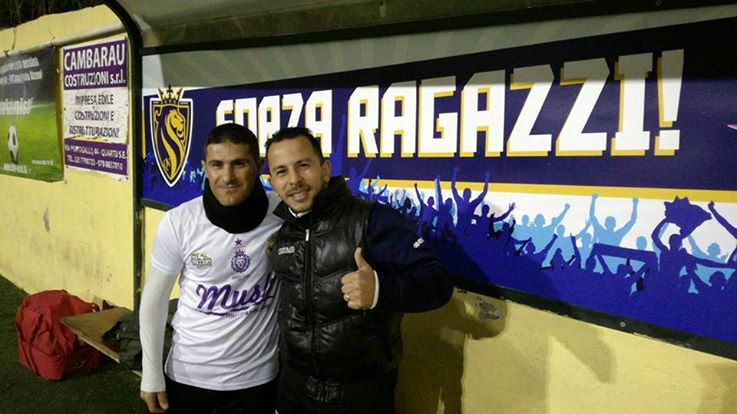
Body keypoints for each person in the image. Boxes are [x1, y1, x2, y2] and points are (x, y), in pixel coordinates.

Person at [264, 126, 454, 414]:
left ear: (325, 170)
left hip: (359, 396)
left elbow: (438, 281)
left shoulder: (371, 220)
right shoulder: (283, 234)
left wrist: (380, 289)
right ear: (273, 182)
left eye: (303, 165)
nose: (294, 180)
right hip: (293, 390)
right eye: (282, 171)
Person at [139, 123, 282, 413]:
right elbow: (154, 301)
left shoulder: (283, 214)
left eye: (239, 164)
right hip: (188, 376)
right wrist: (151, 374)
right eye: (217, 165)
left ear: (258, 166)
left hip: (257, 380)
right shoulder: (180, 221)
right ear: (204, 167)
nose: (227, 177)